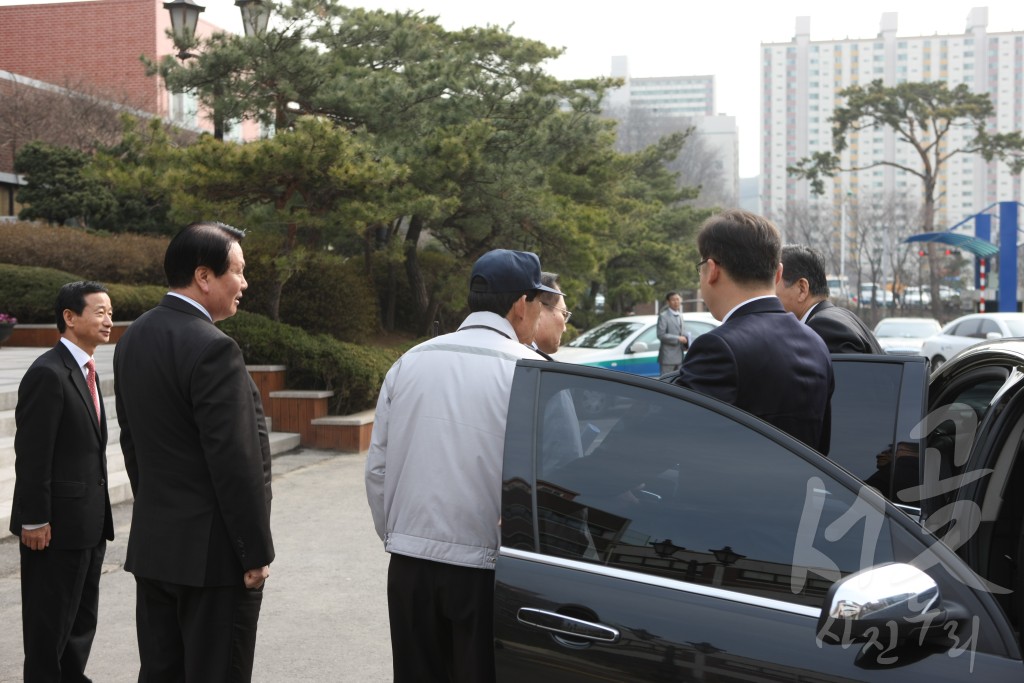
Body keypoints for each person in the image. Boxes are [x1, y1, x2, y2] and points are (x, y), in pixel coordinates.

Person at [365, 248, 558, 682]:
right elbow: (557, 479)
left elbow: (377, 468)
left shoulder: (409, 362)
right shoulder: (532, 373)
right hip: (488, 570)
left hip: (410, 564)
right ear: (521, 304)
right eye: (538, 300)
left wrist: (396, 535)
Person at [113, 222, 274, 682]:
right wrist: (254, 553)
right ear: (204, 276)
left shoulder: (134, 337)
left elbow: (133, 444)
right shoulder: (213, 348)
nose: (244, 283)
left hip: (157, 547)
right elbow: (236, 462)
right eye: (238, 272)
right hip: (215, 560)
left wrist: (159, 512)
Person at [10, 281, 114, 682]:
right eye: (100, 312)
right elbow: (33, 455)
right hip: (54, 530)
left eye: (110, 312)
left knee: (79, 628)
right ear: (70, 318)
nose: (109, 321)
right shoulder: (48, 374)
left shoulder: (86, 370)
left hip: (87, 525)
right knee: (48, 631)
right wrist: (34, 519)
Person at [671, 209, 835, 454]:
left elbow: (671, 440)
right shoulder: (815, 343)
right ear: (778, 273)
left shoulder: (719, 347)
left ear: (712, 270)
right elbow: (821, 447)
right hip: (797, 491)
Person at [777, 244, 884, 354]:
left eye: (772, 286)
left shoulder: (823, 328)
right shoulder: (844, 316)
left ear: (802, 289)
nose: (770, 297)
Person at [657, 291, 688, 375]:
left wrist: (687, 342)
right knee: (666, 382)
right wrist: (678, 338)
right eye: (673, 300)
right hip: (668, 357)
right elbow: (661, 335)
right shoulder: (663, 316)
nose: (676, 302)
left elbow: (682, 332)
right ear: (668, 302)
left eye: (678, 299)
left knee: (678, 383)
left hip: (680, 356)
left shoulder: (680, 315)